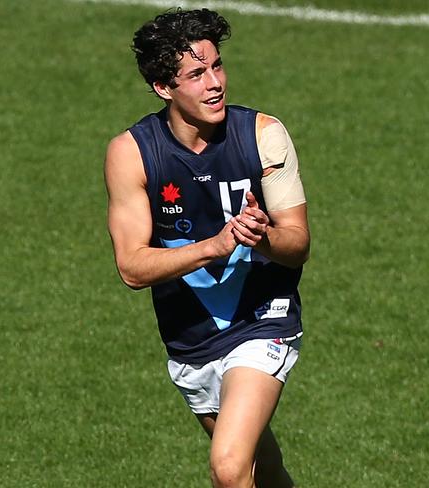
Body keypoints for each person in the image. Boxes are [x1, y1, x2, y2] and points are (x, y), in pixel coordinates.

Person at [104, 8, 310, 488]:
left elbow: (297, 243)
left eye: (217, 66)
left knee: (229, 467)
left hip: (263, 319)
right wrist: (213, 246)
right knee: (265, 473)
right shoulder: (132, 153)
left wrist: (264, 237)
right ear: (163, 87)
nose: (215, 83)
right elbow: (132, 267)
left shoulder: (262, 135)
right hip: (191, 338)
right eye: (196, 74)